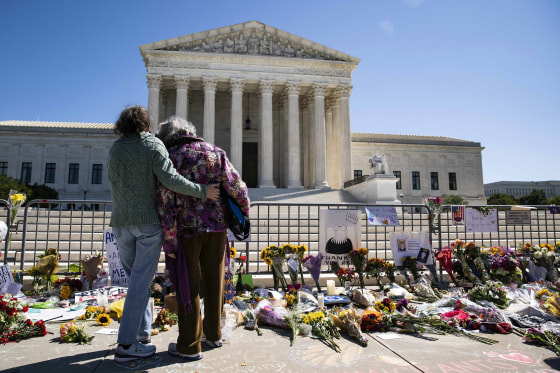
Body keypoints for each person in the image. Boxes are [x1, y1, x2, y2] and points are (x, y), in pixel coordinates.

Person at [107, 106, 219, 363]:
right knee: (139, 282)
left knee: (138, 281)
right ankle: (125, 345)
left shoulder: (115, 148)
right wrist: (202, 191)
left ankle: (142, 334)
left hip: (120, 223)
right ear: (147, 125)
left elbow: (113, 182)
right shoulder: (152, 144)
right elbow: (170, 179)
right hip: (147, 224)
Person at [156, 116, 249, 361]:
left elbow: (164, 201)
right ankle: (214, 335)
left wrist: (169, 239)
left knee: (188, 285)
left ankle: (189, 345)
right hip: (216, 228)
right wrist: (243, 214)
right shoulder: (215, 152)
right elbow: (238, 188)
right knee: (215, 281)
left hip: (185, 229)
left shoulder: (170, 157)